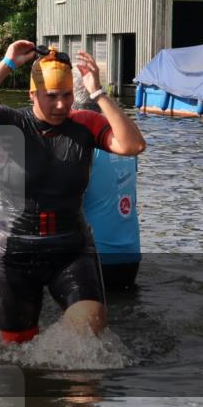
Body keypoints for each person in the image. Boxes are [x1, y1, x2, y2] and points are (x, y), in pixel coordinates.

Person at [0, 41, 145, 343]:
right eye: (51, 96)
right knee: (19, 352)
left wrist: (97, 92)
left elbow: (133, 145)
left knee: (90, 329)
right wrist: (8, 64)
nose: (61, 105)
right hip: (14, 251)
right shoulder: (12, 124)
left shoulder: (85, 123)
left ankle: (71, 375)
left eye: (67, 95)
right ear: (33, 95)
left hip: (71, 248)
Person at [73, 72, 141, 291]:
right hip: (130, 253)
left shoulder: (80, 142)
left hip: (95, 257)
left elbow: (70, 207)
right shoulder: (124, 139)